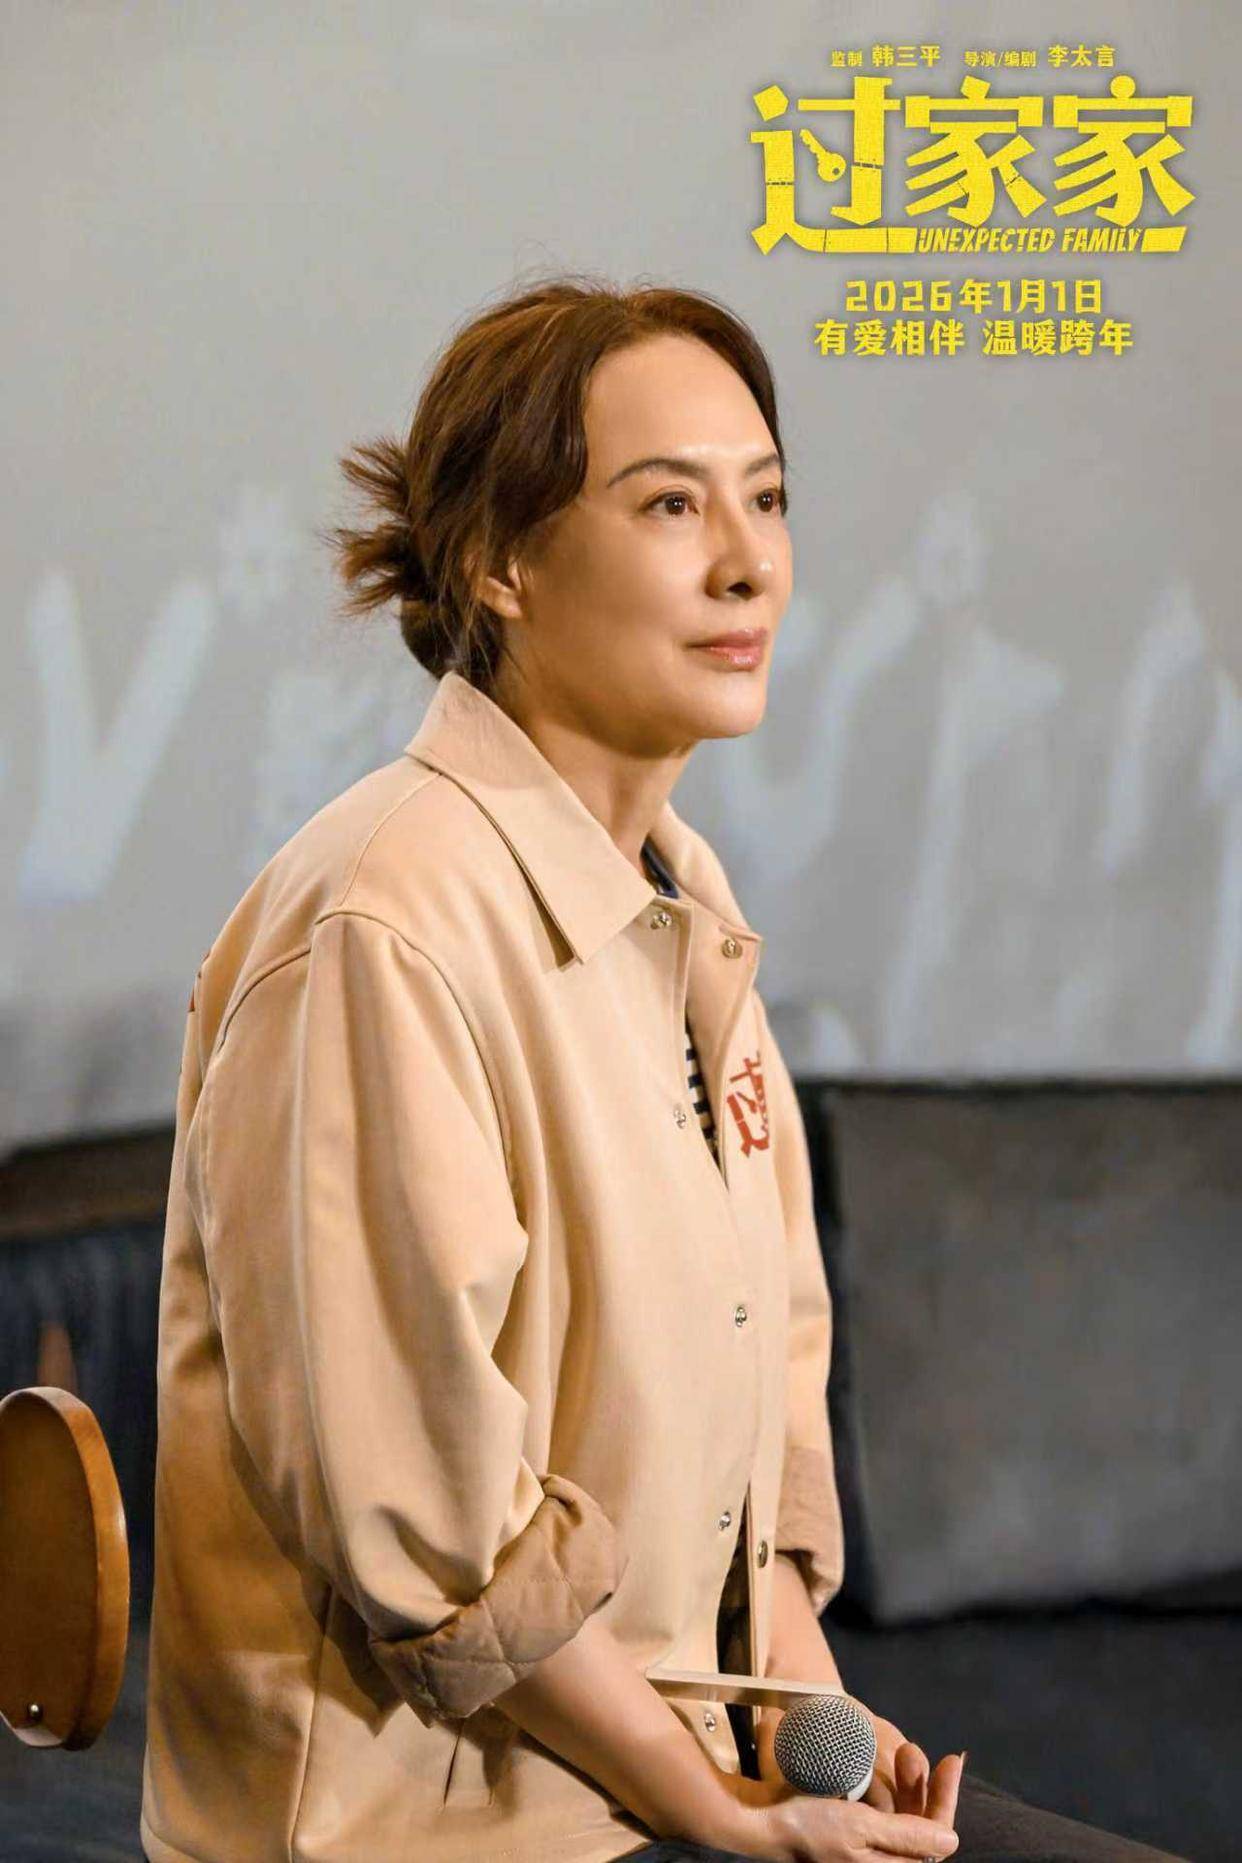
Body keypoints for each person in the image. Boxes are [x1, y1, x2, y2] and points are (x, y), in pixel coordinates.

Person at [141, 275, 1186, 1863]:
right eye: (669, 504)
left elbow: (762, 1430)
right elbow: (423, 1515)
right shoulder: (383, 922)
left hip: (670, 1783)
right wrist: (715, 1808)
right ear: (498, 561)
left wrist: (818, 1748)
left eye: (765, 498)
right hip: (451, 1835)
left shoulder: (682, 904)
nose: (747, 561)